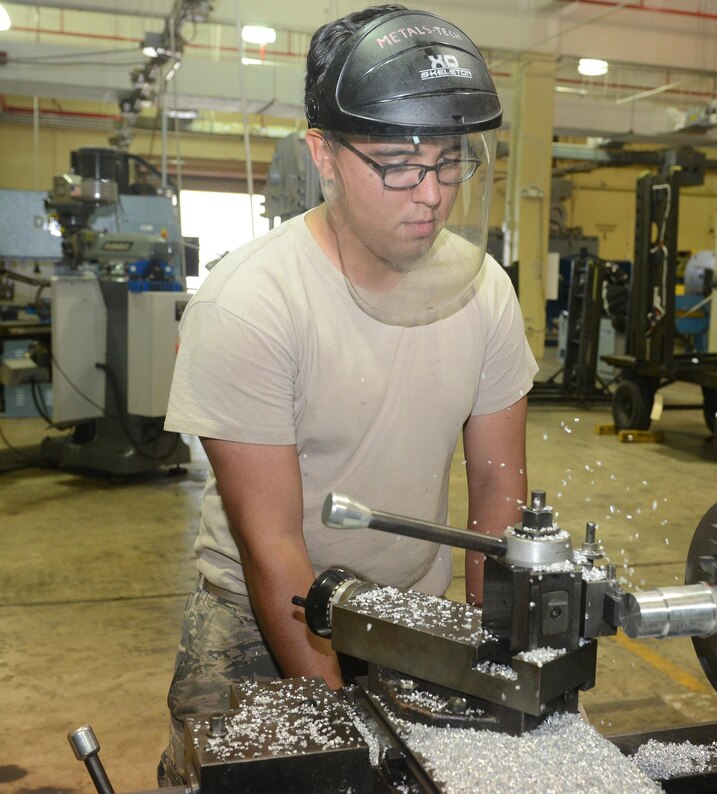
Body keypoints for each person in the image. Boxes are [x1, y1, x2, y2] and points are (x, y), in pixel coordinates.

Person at [157, 4, 537, 784]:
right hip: (258, 619)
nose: (430, 193)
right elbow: (275, 550)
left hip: (410, 611)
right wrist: (344, 740)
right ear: (324, 154)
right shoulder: (253, 303)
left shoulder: (486, 294)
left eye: (449, 161)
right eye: (398, 163)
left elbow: (497, 493)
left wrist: (498, 663)